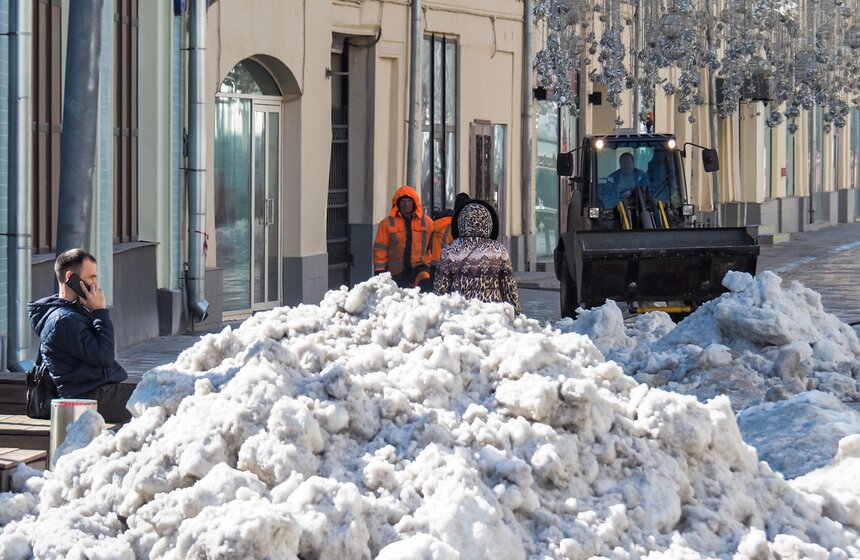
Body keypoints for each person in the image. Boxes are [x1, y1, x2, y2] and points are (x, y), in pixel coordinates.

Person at [27, 248, 133, 423]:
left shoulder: (74, 311)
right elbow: (104, 357)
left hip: (95, 394)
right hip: (87, 400)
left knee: (162, 392)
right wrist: (100, 312)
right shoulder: (64, 320)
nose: (96, 284)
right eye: (91, 277)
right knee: (160, 402)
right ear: (71, 279)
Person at [434, 199, 520, 314]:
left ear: (461, 222)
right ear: (488, 223)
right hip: (493, 315)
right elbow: (509, 288)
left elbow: (440, 289)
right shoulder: (499, 250)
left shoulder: (450, 250)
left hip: (461, 314)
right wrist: (516, 314)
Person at [373, 186, 435, 290]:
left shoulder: (428, 223)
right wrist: (379, 271)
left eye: (409, 201)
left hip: (420, 269)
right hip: (396, 273)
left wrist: (436, 269)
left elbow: (435, 248)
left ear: (414, 203)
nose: (406, 204)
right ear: (397, 204)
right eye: (403, 201)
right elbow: (380, 250)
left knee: (423, 294)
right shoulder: (386, 224)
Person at [429, 192, 471, 269]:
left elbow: (430, 245)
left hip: (433, 266)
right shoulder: (456, 226)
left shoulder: (437, 223)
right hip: (447, 267)